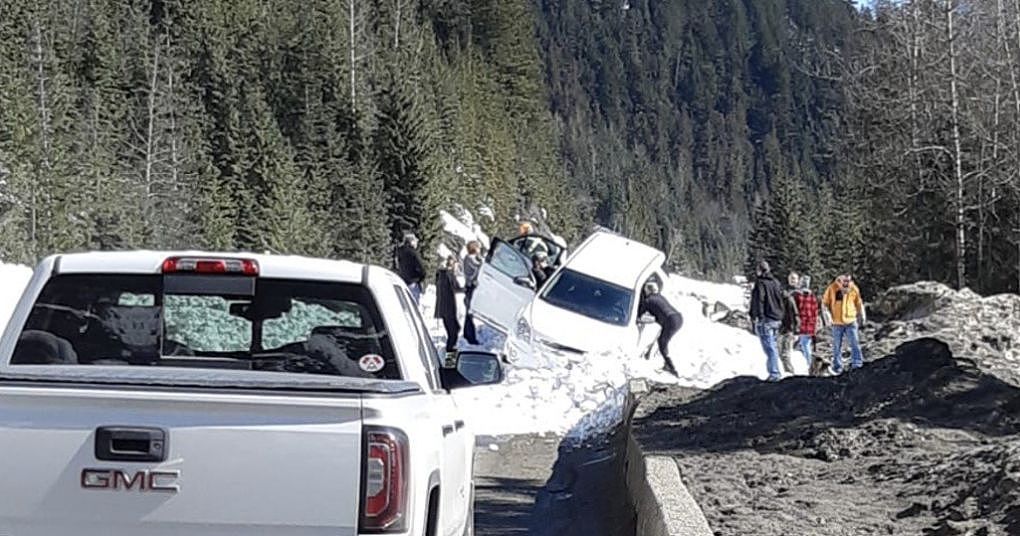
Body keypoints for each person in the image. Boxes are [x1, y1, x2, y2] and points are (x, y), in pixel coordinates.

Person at [749, 260, 786, 382]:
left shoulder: (761, 283)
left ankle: (774, 372)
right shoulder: (776, 282)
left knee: (769, 347)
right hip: (777, 318)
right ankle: (773, 371)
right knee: (773, 345)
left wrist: (757, 316)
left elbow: (760, 300)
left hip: (767, 318)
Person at [822, 273, 866, 374]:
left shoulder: (853, 289)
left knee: (855, 343)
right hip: (837, 322)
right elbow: (824, 303)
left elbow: (858, 302)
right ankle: (837, 366)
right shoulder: (832, 288)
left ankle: (857, 364)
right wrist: (827, 316)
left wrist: (862, 315)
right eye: (844, 281)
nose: (846, 283)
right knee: (837, 345)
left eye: (848, 281)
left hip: (851, 321)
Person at [638, 281, 682, 377]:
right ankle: (667, 363)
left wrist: (641, 319)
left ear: (647, 291)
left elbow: (639, 316)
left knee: (662, 342)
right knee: (662, 340)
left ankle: (671, 368)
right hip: (678, 317)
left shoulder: (648, 300)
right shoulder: (660, 297)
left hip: (670, 320)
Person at [792, 275, 824, 373]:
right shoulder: (812, 297)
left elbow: (795, 310)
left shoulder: (797, 296)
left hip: (802, 324)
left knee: (804, 345)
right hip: (811, 324)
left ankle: (810, 365)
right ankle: (812, 364)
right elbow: (815, 311)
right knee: (806, 344)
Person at [434, 256, 463, 359]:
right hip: (448, 309)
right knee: (453, 333)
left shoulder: (442, 275)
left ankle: (451, 356)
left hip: (445, 309)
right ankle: (450, 359)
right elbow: (456, 288)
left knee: (455, 330)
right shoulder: (448, 275)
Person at [778, 272, 801, 375]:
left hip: (792, 327)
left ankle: (790, 373)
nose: (792, 280)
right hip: (783, 326)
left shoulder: (801, 293)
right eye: (791, 278)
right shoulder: (785, 294)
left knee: (786, 353)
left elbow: (797, 313)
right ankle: (788, 372)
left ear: (798, 280)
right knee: (782, 353)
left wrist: (797, 329)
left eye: (794, 279)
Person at [395, 233, 427, 304]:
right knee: (414, 305)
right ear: (411, 242)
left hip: (402, 281)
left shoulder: (399, 252)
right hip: (413, 282)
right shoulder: (413, 253)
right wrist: (421, 277)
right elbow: (421, 267)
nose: (416, 243)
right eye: (415, 241)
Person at [462, 241, 482, 346]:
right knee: (469, 313)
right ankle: (470, 336)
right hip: (470, 287)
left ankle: (467, 334)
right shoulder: (469, 259)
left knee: (469, 313)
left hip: (471, 288)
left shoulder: (472, 258)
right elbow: (477, 268)